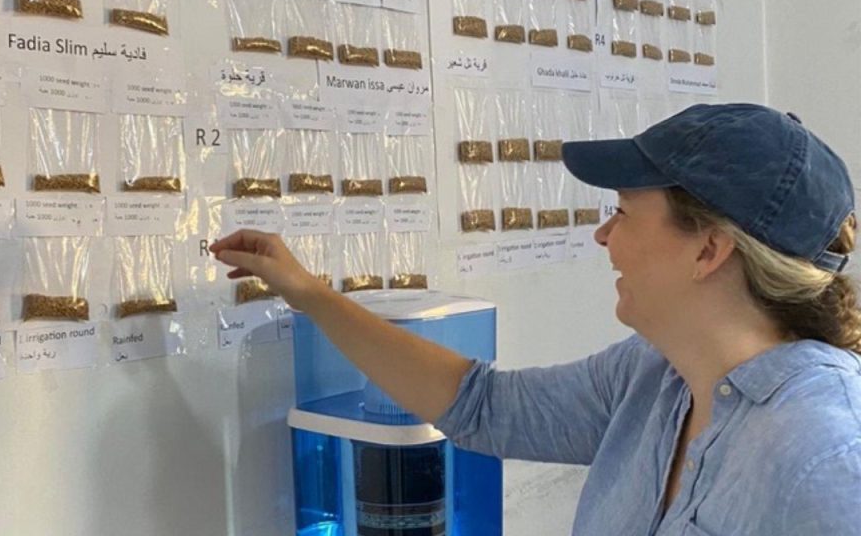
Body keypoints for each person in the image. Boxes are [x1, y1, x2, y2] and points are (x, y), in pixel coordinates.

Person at [209, 103, 861, 535]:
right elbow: (483, 405)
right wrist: (310, 295)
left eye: (625, 213)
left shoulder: (823, 453)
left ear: (709, 249)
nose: (604, 235)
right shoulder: (654, 377)